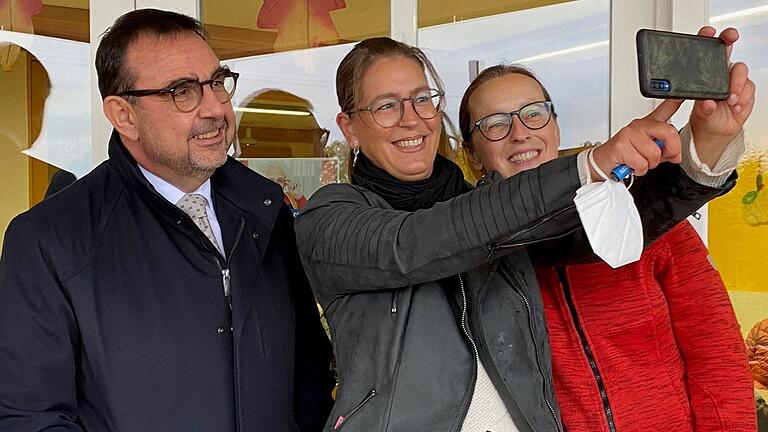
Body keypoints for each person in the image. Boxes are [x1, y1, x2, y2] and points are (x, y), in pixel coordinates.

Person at [294, 35, 743, 432]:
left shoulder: (499, 221)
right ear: (349, 127)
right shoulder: (331, 218)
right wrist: (589, 166)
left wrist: (704, 146)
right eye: (386, 106)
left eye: (421, 99)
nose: (411, 119)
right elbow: (416, 242)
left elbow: (597, 223)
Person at [0, 9, 334, 431]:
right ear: (124, 115)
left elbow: (308, 375)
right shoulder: (51, 242)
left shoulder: (266, 212)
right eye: (182, 91)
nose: (215, 107)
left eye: (216, 82)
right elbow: (30, 418)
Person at [458, 28, 755, 432]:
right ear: (472, 153)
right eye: (494, 123)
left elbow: (715, 348)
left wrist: (709, 145)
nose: (520, 132)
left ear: (555, 126)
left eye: (534, 113)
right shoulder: (473, 244)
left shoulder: (638, 210)